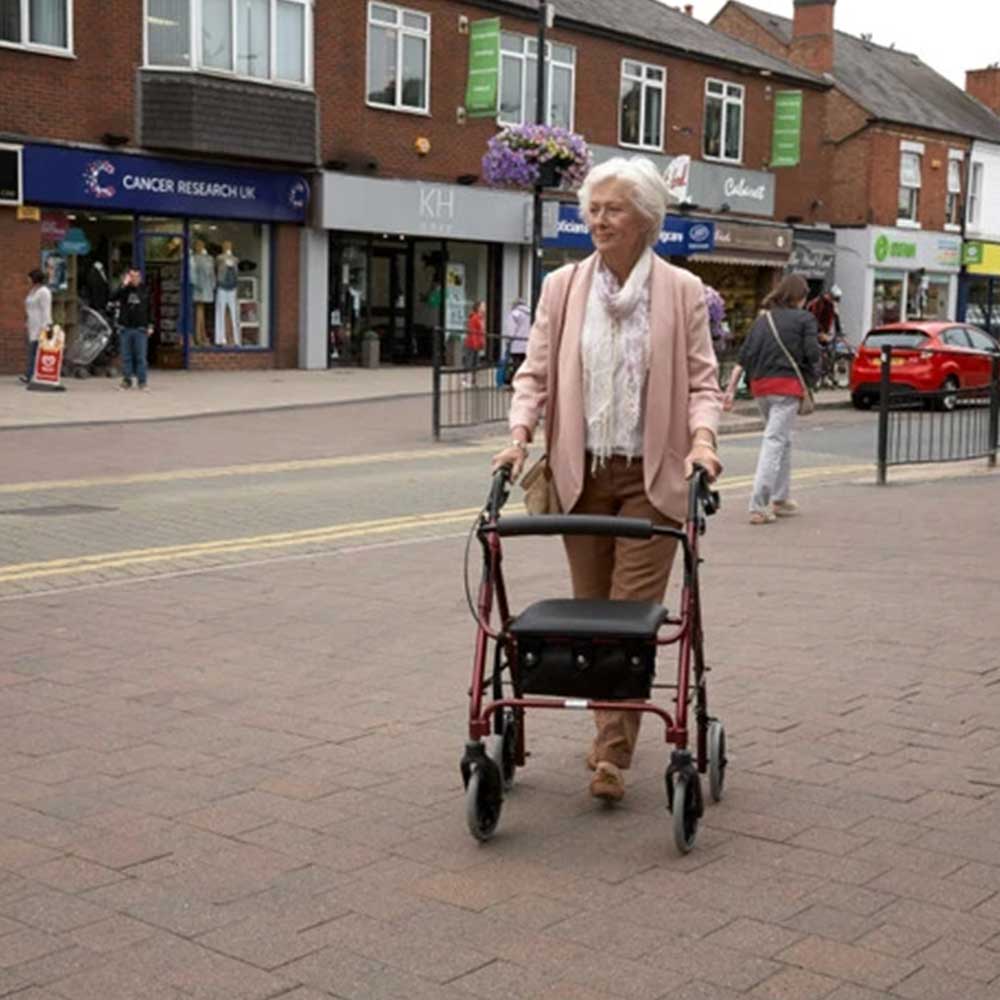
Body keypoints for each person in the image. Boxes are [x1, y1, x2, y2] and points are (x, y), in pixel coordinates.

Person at [491, 157, 723, 803]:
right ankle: (608, 734)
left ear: (645, 218)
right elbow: (535, 375)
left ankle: (611, 755)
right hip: (581, 475)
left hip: (652, 479)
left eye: (613, 209)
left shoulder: (681, 290)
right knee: (590, 616)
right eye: (592, 208)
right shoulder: (563, 287)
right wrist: (518, 437)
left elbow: (703, 382)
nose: (598, 219)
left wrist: (703, 442)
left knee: (626, 620)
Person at [722, 274, 819, 524]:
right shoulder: (805, 319)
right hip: (786, 388)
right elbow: (812, 354)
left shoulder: (763, 320)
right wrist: (811, 379)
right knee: (775, 441)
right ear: (800, 297)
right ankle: (759, 505)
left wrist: (730, 390)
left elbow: (744, 356)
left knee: (783, 439)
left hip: (760, 387)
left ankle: (780, 498)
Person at [112, 266, 154, 390]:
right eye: (131, 276)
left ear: (140, 277)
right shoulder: (125, 290)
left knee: (141, 357)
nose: (134, 279)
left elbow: (150, 309)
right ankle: (127, 380)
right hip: (126, 327)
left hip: (141, 328)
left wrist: (151, 325)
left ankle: (142, 381)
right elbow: (113, 297)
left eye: (136, 276)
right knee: (126, 357)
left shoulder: (145, 290)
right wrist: (123, 285)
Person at [21, 269, 52, 385]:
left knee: (35, 351)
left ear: (34, 279)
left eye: (29, 278)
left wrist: (46, 326)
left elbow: (46, 310)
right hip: (32, 325)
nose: (27, 280)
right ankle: (30, 374)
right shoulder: (33, 291)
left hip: (40, 325)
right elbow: (29, 308)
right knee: (32, 351)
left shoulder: (44, 292)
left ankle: (31, 375)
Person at [503, 298, 531, 386]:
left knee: (515, 366)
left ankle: (516, 384)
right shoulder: (530, 314)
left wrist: (508, 341)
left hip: (516, 345)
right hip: (527, 344)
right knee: (524, 366)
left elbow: (511, 331)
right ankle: (524, 384)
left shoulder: (514, 314)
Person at [463, 300, 486, 387]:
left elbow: (481, 332)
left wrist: (482, 342)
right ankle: (466, 380)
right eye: (483, 306)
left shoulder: (481, 318)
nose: (485, 308)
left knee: (475, 362)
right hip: (471, 343)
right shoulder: (474, 318)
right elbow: (473, 332)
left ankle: (473, 381)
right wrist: (476, 343)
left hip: (477, 344)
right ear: (478, 308)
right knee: (470, 361)